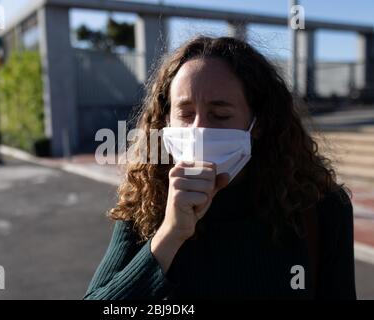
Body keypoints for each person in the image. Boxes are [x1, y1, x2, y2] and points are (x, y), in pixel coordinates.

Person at [83, 36, 356, 299]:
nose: (199, 129)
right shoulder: (147, 202)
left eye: (220, 114)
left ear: (258, 123)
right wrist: (170, 234)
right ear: (166, 120)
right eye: (186, 113)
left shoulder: (320, 208)